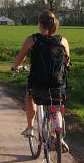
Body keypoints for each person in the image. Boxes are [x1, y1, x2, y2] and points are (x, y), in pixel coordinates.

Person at [11, 10, 70, 151]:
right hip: (57, 83)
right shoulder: (63, 40)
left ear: (40, 24)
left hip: (37, 82)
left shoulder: (32, 39)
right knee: (56, 105)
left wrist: (15, 67)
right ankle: (59, 137)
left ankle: (30, 127)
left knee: (30, 96)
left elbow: (20, 58)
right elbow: (67, 61)